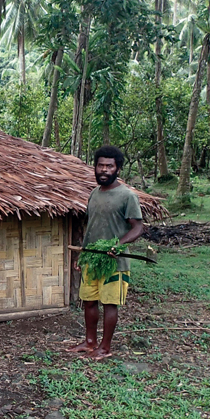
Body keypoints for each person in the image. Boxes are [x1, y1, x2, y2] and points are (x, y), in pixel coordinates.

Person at [68, 145, 144, 360]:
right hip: (92, 258)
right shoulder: (94, 194)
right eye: (100, 165)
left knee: (109, 303)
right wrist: (83, 256)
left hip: (114, 261)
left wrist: (118, 245)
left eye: (109, 166)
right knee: (89, 301)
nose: (104, 170)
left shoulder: (127, 196)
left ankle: (105, 347)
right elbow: (92, 227)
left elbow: (137, 228)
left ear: (117, 168)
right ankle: (90, 341)